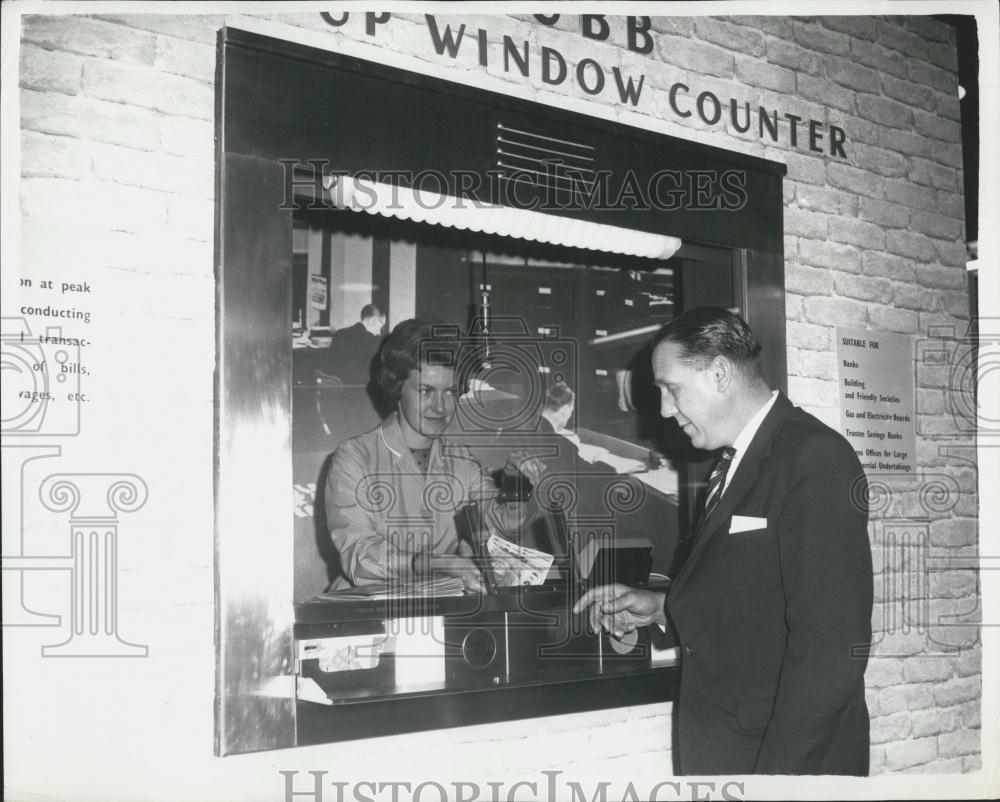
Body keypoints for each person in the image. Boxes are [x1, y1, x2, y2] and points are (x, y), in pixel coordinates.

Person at [574, 307, 873, 775]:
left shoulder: (814, 457)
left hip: (779, 769)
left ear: (719, 373)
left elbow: (832, 650)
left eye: (671, 389)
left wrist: (774, 785)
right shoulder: (732, 463)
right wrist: (661, 607)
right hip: (728, 754)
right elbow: (751, 599)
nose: (666, 410)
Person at [324, 318, 543, 592]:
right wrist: (437, 563)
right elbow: (359, 556)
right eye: (426, 391)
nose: (440, 407)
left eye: (450, 392)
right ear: (397, 388)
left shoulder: (464, 462)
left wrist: (516, 485)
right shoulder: (355, 457)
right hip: (366, 616)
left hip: (440, 610)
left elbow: (504, 527)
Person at [322, 303, 386, 384]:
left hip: (337, 384)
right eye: (380, 327)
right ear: (374, 321)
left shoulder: (339, 333)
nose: (379, 332)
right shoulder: (371, 340)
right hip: (357, 388)